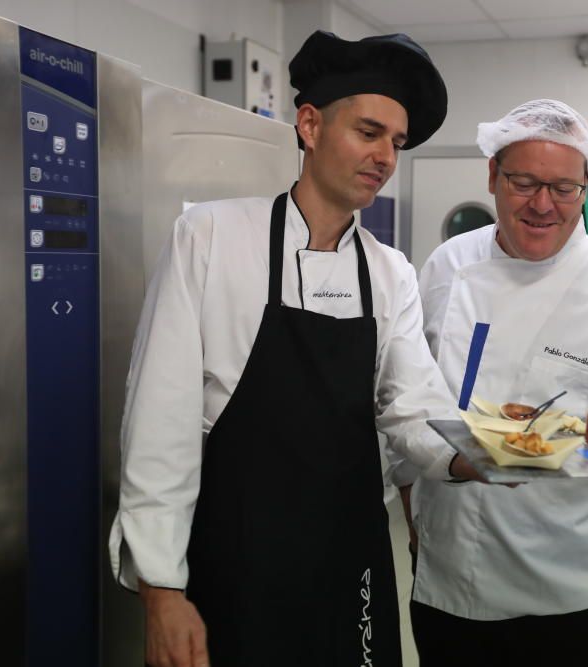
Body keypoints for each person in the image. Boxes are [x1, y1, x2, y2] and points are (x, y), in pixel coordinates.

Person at [109, 31, 477, 667]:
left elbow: (414, 409)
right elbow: (160, 422)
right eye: (369, 131)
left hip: (350, 561)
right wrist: (162, 591)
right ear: (309, 124)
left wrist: (481, 455)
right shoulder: (212, 236)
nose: (385, 155)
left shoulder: (390, 273)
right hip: (236, 560)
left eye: (396, 141)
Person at [394, 99, 588, 666]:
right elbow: (411, 394)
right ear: (492, 176)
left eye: (564, 188)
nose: (543, 204)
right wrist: (410, 502)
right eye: (524, 182)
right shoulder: (445, 266)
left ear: (585, 190)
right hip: (442, 573)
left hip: (563, 588)